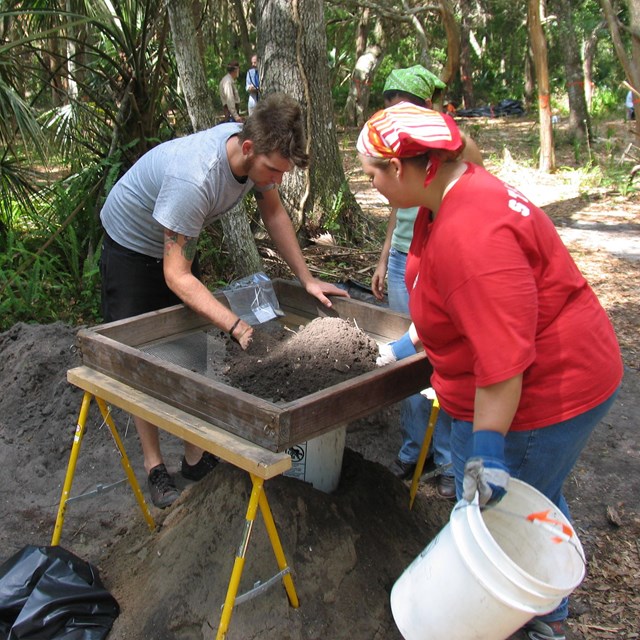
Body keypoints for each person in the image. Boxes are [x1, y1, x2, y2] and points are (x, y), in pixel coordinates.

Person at [358, 102, 622, 640]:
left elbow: (502, 368)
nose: (374, 186)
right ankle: (547, 611)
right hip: (530, 377)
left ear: (406, 168)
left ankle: (494, 621)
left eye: (373, 175)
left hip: (545, 392)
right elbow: (452, 308)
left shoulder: (472, 237)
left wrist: (486, 449)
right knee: (533, 491)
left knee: (490, 519)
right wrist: (409, 344)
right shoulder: (450, 192)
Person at [100, 92, 348, 509]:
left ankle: (195, 458)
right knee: (139, 360)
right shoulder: (195, 178)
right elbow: (175, 275)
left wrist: (307, 280)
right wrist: (235, 325)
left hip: (174, 245)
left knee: (193, 348)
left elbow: (274, 214)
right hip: (129, 245)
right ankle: (155, 465)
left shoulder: (259, 159)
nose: (277, 181)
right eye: (273, 171)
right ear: (248, 148)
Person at [372, 65, 482, 499]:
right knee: (414, 365)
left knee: (443, 362)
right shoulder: (407, 190)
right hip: (405, 260)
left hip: (435, 264)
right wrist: (384, 260)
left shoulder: (448, 159)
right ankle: (415, 450)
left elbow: (487, 357)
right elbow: (398, 211)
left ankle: (451, 462)